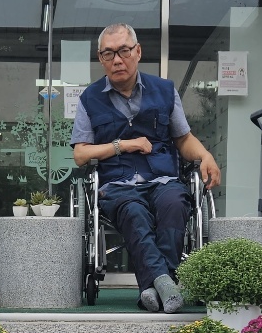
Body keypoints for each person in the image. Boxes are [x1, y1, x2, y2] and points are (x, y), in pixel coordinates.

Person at [71, 23, 221, 313]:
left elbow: (183, 138)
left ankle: (152, 288)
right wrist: (124, 145)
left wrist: (205, 156)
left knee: (175, 204)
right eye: (108, 53)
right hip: (118, 185)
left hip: (163, 179)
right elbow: (81, 154)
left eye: (124, 51)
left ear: (138, 52)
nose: (117, 60)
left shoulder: (164, 91)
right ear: (101, 59)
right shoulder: (89, 99)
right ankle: (167, 283)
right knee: (134, 212)